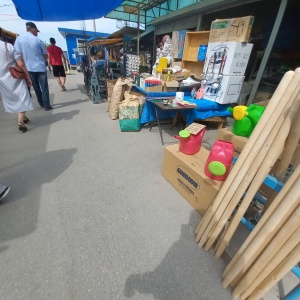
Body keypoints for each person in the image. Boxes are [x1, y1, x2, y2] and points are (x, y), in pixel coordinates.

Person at [0, 27, 33, 133]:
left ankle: (24, 117)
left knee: (13, 98)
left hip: (2, 80)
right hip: (15, 76)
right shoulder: (8, 46)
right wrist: (28, 77)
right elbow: (21, 64)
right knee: (22, 97)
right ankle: (20, 122)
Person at [14, 22, 53, 111]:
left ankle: (41, 103)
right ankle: (47, 105)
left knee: (36, 87)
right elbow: (45, 55)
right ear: (33, 30)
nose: (37, 33)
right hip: (40, 67)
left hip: (29, 68)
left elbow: (17, 55)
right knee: (44, 87)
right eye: (36, 31)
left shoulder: (19, 39)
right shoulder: (38, 40)